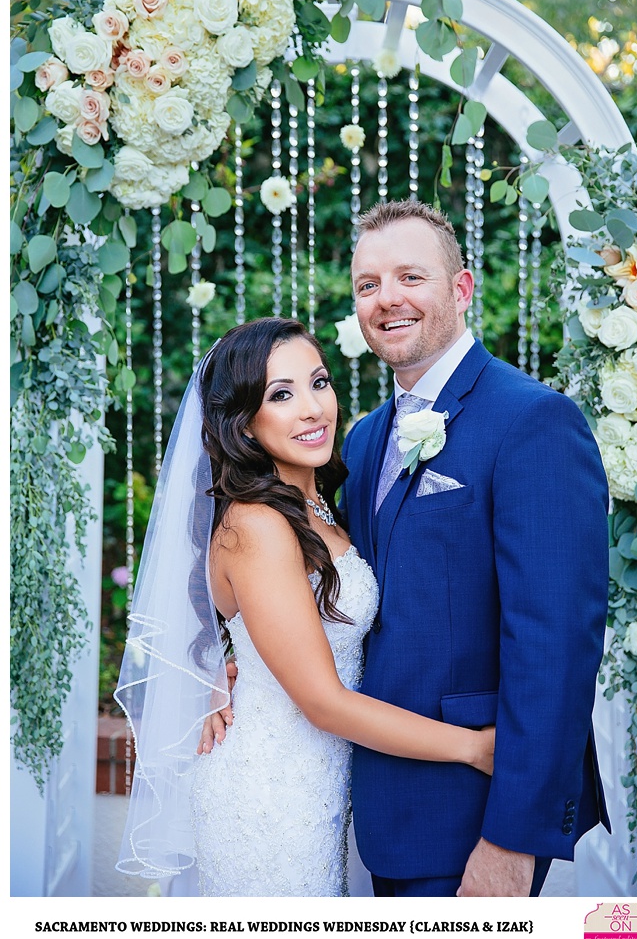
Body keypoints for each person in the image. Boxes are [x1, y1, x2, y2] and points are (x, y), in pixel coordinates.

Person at [115, 316, 495, 897]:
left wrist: (225, 660)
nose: (313, 409)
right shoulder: (257, 525)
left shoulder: (320, 504)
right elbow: (322, 701)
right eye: (281, 395)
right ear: (242, 421)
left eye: (318, 383)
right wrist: (473, 747)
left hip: (324, 781)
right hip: (272, 796)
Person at [339, 198, 610, 898]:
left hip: (475, 814)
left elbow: (555, 644)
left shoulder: (534, 421)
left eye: (410, 277)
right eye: (368, 284)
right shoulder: (362, 440)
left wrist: (513, 840)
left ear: (461, 289)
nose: (387, 299)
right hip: (383, 803)